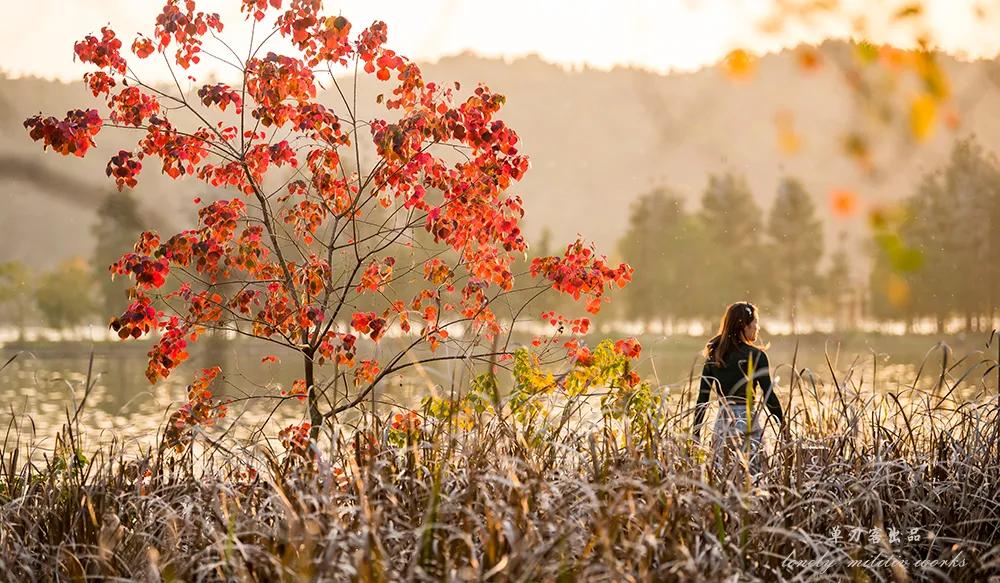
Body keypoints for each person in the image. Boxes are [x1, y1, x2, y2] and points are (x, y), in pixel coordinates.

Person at [692, 301, 784, 475]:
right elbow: (769, 397)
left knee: (723, 475)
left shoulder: (715, 356)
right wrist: (783, 426)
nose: (758, 327)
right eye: (755, 322)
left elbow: (701, 401)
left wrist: (695, 436)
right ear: (745, 325)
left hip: (723, 423)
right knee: (752, 476)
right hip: (748, 422)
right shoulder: (756, 356)